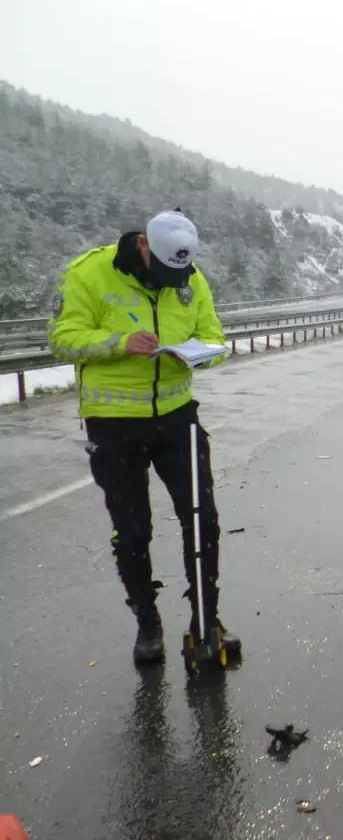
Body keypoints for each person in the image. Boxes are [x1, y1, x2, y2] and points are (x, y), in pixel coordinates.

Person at [48, 211, 239, 666]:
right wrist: (118, 342)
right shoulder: (87, 273)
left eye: (179, 275)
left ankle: (206, 619)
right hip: (114, 424)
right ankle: (147, 622)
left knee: (202, 520)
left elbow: (213, 336)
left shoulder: (189, 277)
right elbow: (61, 339)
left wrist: (198, 357)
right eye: (162, 273)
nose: (170, 282)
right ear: (143, 247)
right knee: (133, 531)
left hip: (177, 417)